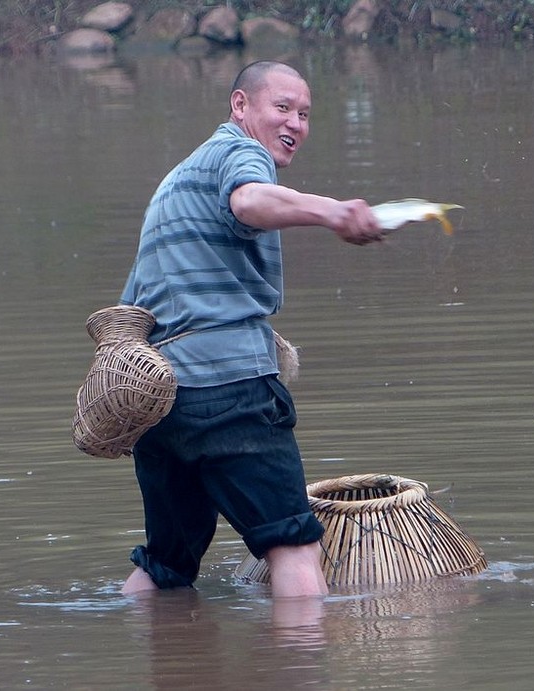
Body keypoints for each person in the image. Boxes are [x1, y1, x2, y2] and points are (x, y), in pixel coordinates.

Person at [118, 60, 384, 599]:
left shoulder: (179, 180)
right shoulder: (240, 154)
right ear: (240, 106)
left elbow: (132, 307)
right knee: (294, 545)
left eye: (305, 114)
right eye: (282, 107)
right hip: (230, 389)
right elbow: (250, 200)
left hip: (160, 405)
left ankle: (157, 658)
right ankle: (301, 672)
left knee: (167, 565)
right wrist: (333, 212)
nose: (296, 123)